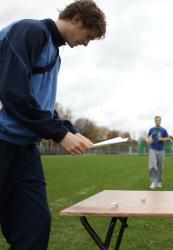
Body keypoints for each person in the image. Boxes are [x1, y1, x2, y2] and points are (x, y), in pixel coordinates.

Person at [0, 1, 106, 249]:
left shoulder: (54, 54)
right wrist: (59, 134)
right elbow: (13, 92)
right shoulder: (30, 31)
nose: (86, 43)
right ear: (77, 18)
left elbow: (40, 105)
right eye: (88, 36)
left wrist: (68, 129)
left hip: (25, 150)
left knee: (35, 225)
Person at [146, 116, 169, 189]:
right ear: (154, 121)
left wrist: (162, 139)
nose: (157, 121)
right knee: (152, 166)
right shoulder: (151, 129)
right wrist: (148, 140)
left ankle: (159, 182)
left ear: (160, 121)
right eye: (156, 120)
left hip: (161, 150)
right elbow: (147, 137)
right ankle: (153, 182)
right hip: (152, 149)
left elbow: (168, 138)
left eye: (159, 120)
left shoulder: (163, 130)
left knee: (160, 167)